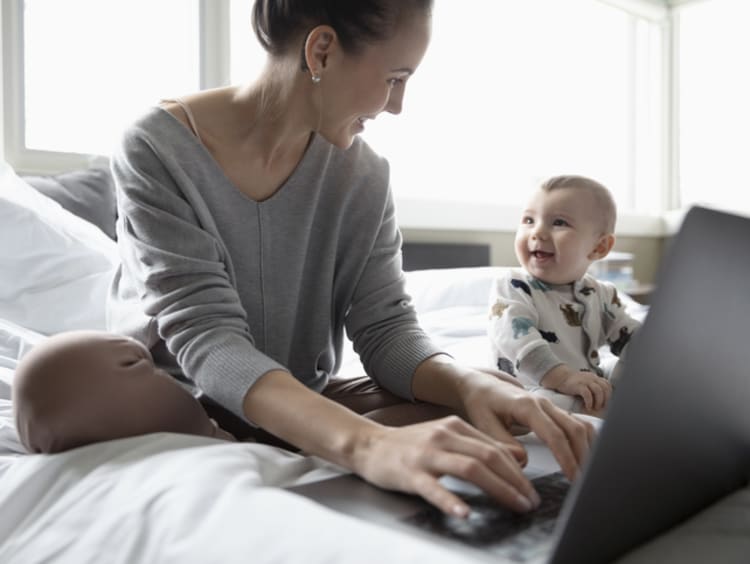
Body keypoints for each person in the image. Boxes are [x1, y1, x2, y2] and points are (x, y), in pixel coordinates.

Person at [13, 0, 595, 519]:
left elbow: (386, 328)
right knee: (55, 378)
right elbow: (207, 338)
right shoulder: (156, 146)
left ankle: (295, 440)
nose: (397, 105)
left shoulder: (363, 174)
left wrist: (464, 384)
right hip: (177, 396)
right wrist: (364, 444)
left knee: (488, 398)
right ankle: (275, 441)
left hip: (305, 396)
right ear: (321, 49)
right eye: (394, 78)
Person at [488, 175, 642, 415]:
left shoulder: (601, 293)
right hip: (529, 386)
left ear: (599, 247)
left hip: (583, 381)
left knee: (635, 367)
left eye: (559, 222)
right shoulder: (513, 285)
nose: (537, 232)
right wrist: (563, 379)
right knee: (544, 405)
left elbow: (626, 332)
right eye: (529, 220)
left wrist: (657, 351)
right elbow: (517, 340)